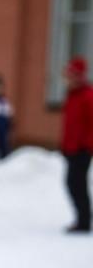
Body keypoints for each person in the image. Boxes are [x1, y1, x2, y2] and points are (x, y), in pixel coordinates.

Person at [61, 56, 93, 233]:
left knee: (76, 183)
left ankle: (84, 221)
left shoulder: (88, 96)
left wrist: (87, 146)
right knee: (74, 183)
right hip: (71, 148)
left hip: (82, 150)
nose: (67, 80)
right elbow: (70, 124)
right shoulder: (72, 96)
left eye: (70, 76)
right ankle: (84, 216)